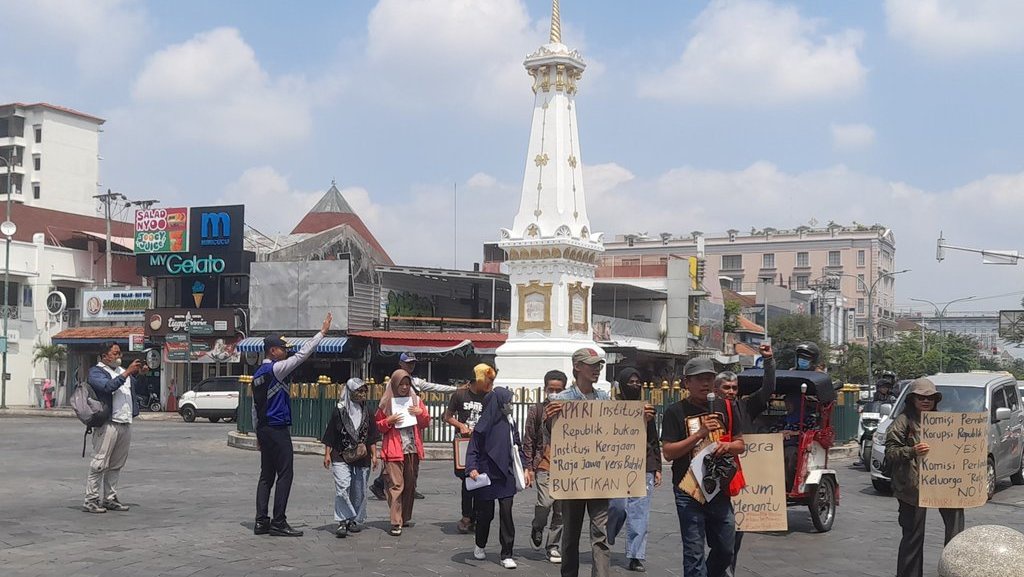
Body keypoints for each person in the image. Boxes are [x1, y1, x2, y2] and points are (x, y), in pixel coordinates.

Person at [545, 348, 654, 577]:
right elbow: (549, 435)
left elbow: (619, 432)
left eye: (599, 365)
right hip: (573, 479)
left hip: (600, 479)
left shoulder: (605, 398)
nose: (596, 369)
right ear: (577, 366)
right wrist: (548, 419)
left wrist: (640, 419)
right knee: (571, 536)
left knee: (601, 534)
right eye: (591, 364)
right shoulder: (560, 399)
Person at [661, 357, 745, 577]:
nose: (705, 383)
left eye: (709, 378)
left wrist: (726, 447)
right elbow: (669, 452)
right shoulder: (675, 412)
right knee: (693, 552)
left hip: (718, 488)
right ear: (687, 382)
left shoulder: (725, 406)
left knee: (727, 547)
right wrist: (699, 434)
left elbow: (740, 445)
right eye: (699, 379)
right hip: (688, 491)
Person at [253, 312, 333, 537]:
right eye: (282, 348)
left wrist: (258, 433)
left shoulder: (258, 373)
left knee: (266, 476)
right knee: (285, 473)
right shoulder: (276, 370)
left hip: (264, 429)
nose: (286, 351)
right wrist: (322, 333)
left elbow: (254, 407)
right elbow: (302, 356)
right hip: (278, 428)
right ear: (272, 351)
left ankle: (261, 521)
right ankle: (279, 521)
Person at [885, 378, 964, 577]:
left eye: (930, 397)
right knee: (913, 536)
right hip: (912, 488)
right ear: (912, 399)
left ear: (936, 400)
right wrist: (912, 451)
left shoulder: (944, 421)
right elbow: (891, 452)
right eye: (921, 397)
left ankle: (953, 570)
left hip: (944, 484)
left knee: (956, 530)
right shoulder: (903, 421)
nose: (926, 401)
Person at [716, 343, 775, 577]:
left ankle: (728, 571)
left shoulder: (745, 406)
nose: (731, 391)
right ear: (716, 389)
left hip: (740, 480)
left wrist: (769, 362)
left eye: (734, 388)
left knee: (734, 533)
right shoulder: (706, 409)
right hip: (712, 481)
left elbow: (767, 389)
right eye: (726, 387)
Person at [369, 352, 457, 501]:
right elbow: (384, 406)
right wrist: (389, 419)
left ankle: (408, 488)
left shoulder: (416, 382)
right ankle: (385, 487)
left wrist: (456, 389)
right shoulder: (393, 382)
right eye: (408, 363)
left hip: (411, 428)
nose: (411, 365)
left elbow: (434, 387)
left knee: (410, 465)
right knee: (394, 463)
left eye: (413, 363)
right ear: (401, 364)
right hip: (396, 427)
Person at [466, 386, 533, 569]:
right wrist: (471, 468)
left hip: (506, 473)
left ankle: (507, 553)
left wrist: (526, 467)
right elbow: (473, 448)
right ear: (499, 403)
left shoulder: (510, 423)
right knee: (485, 514)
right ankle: (480, 544)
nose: (510, 405)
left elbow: (517, 446)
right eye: (508, 401)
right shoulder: (483, 425)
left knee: (506, 512)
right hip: (486, 474)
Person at [607, 367, 662, 573]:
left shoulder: (646, 408)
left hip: (644, 465)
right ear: (622, 384)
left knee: (640, 512)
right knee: (617, 505)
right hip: (618, 464)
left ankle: (635, 555)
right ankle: (610, 530)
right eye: (631, 382)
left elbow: (653, 439)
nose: (635, 385)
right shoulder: (612, 407)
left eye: (638, 382)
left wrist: (656, 467)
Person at [82, 342, 145, 513]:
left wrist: (138, 373)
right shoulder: (96, 371)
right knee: (99, 462)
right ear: (104, 356)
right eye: (115, 353)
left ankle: (110, 497)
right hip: (108, 422)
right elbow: (107, 387)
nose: (119, 356)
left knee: (116, 463)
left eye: (120, 353)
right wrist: (127, 373)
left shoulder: (120, 371)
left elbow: (130, 389)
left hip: (124, 421)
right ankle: (91, 499)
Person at [321, 378, 379, 538]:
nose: (362, 394)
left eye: (364, 391)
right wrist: (327, 454)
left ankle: (353, 520)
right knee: (342, 487)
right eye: (358, 391)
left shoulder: (368, 411)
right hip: (340, 454)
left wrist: (375, 455)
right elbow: (330, 434)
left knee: (359, 490)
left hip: (362, 455)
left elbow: (372, 436)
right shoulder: (339, 411)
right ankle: (342, 520)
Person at [375, 369, 430, 536]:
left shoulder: (416, 400)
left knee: (410, 485)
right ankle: (395, 521)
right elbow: (378, 425)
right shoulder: (386, 403)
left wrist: (421, 414)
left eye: (407, 384)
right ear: (394, 384)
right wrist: (388, 421)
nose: (405, 387)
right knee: (396, 485)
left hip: (411, 449)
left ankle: (404, 516)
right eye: (401, 384)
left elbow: (425, 422)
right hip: (393, 450)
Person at [444, 363, 495, 533]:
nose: (490, 384)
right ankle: (467, 515)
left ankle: (477, 514)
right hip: (464, 442)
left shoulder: (490, 396)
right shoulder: (460, 394)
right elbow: (447, 416)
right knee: (466, 480)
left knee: (481, 479)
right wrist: (461, 425)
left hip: (483, 443)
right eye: (488, 380)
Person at [523, 369, 568, 564]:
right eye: (551, 389)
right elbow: (529, 439)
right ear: (545, 389)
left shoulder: (572, 411)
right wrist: (528, 467)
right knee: (545, 502)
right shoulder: (537, 410)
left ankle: (553, 546)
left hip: (567, 465)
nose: (555, 393)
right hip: (544, 463)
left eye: (559, 390)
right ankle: (538, 525)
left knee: (560, 510)